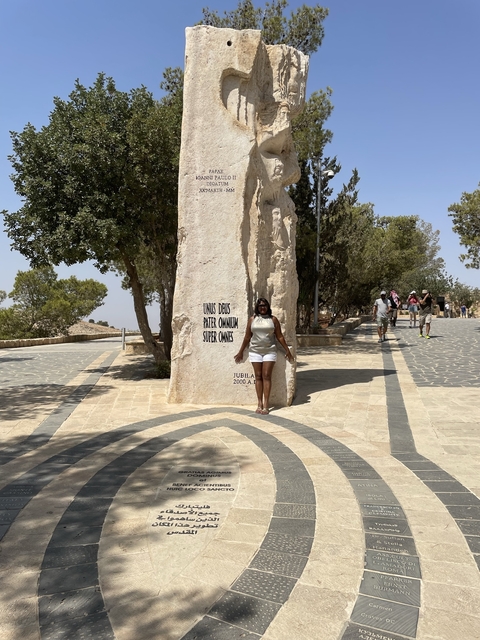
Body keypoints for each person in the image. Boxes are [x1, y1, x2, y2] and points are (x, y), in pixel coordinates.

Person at [234, 298, 294, 415]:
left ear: (268, 307)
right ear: (257, 307)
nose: (263, 307)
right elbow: (247, 337)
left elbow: (279, 336)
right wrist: (241, 351)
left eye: (265, 305)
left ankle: (266, 404)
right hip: (255, 351)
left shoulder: (273, 320)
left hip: (269, 351)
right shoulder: (252, 319)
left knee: (266, 375)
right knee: (258, 376)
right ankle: (259, 403)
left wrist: (287, 350)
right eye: (260, 305)